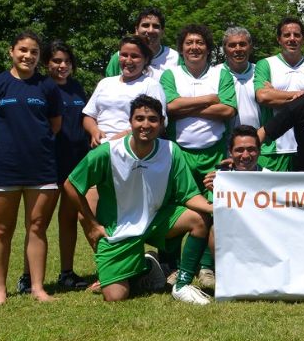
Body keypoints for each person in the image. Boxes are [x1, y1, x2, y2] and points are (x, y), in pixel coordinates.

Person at [63, 95, 214, 304]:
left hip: (156, 220)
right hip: (118, 228)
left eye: (152, 119)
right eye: (139, 118)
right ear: (130, 121)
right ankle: (147, 267)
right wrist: (92, 224)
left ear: (162, 123)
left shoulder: (171, 151)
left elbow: (189, 195)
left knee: (199, 219)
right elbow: (70, 185)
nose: (145, 125)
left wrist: (216, 207)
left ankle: (181, 285)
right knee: (115, 296)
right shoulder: (108, 152)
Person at [160, 23, 236, 288]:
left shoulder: (220, 73)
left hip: (213, 153)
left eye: (200, 42)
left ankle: (206, 267)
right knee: (176, 207)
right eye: (189, 43)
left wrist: (185, 107)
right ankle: (172, 266)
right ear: (181, 48)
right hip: (178, 153)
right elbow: (169, 107)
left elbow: (228, 110)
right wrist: (210, 99)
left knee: (213, 210)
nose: (194, 47)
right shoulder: (170, 74)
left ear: (208, 48)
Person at [0, 31, 62, 305]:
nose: (28, 56)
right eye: (22, 50)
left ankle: (38, 288)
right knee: (2, 229)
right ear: (11, 51)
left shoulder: (47, 86)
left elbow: (55, 125)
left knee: (37, 227)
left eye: (34, 52)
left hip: (41, 168)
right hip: (3, 168)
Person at [44, 41, 90, 290]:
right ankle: (28, 277)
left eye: (67, 61)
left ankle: (66, 273)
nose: (62, 66)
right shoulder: (41, 87)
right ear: (46, 63)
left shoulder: (77, 88)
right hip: (49, 162)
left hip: (76, 162)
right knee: (39, 222)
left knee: (69, 218)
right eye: (56, 61)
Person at [84, 35, 167, 148]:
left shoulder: (151, 85)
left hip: (131, 148)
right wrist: (94, 130)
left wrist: (120, 138)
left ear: (146, 59)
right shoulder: (105, 83)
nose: (128, 60)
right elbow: (89, 115)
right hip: (99, 147)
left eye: (135, 56)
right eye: (124, 55)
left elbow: (159, 124)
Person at [254, 17, 304, 172]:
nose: (292, 39)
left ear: (303, 39)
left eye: (297, 35)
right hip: (272, 148)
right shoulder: (266, 64)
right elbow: (263, 97)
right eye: (287, 35)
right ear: (279, 39)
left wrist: (276, 94)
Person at [105, 7, 179, 79]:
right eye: (145, 25)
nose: (150, 30)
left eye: (155, 26)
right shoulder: (119, 57)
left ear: (162, 31)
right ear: (136, 30)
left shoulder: (175, 58)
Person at [219, 26, 259, 129]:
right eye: (232, 45)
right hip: (226, 138)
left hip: (259, 136)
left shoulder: (260, 72)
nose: (238, 49)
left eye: (242, 44)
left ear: (250, 47)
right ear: (224, 49)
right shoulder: (215, 74)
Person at [203, 125, 262, 193]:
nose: (245, 156)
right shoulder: (219, 178)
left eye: (251, 149)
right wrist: (215, 191)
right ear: (230, 152)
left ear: (259, 151)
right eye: (239, 150)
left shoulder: (270, 179)